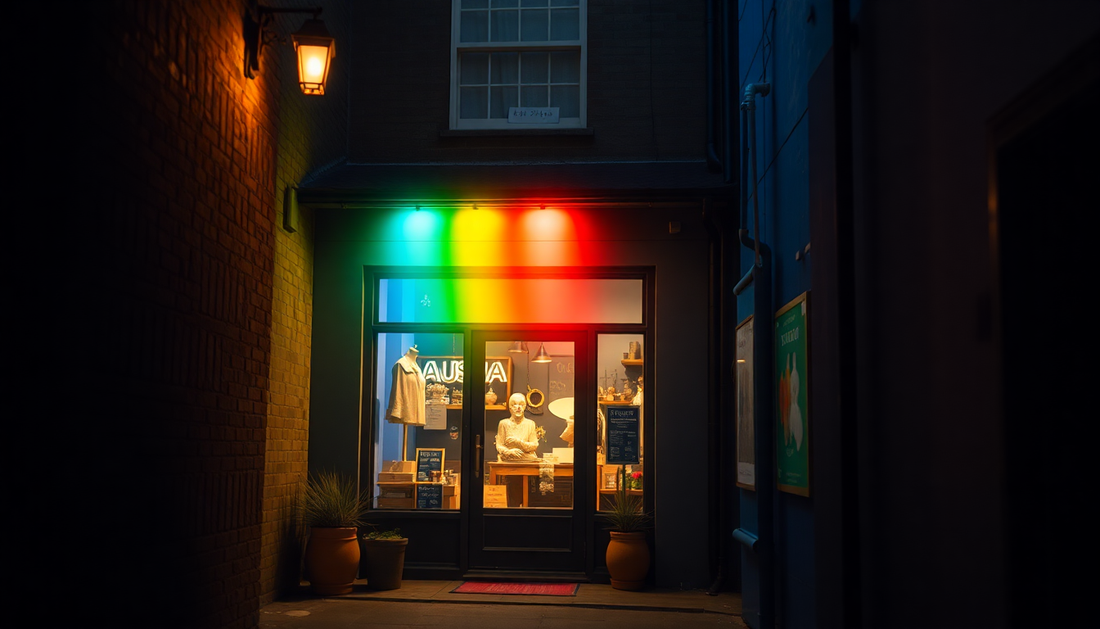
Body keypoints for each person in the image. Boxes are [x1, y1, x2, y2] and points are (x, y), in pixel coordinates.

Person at [495, 392, 539, 461]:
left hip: (527, 459)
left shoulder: (530, 424)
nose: (518, 407)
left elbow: (534, 445)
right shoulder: (504, 423)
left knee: (531, 457)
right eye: (514, 404)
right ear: (510, 407)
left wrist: (518, 442)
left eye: (521, 404)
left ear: (524, 407)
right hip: (508, 459)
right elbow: (499, 445)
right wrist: (509, 452)